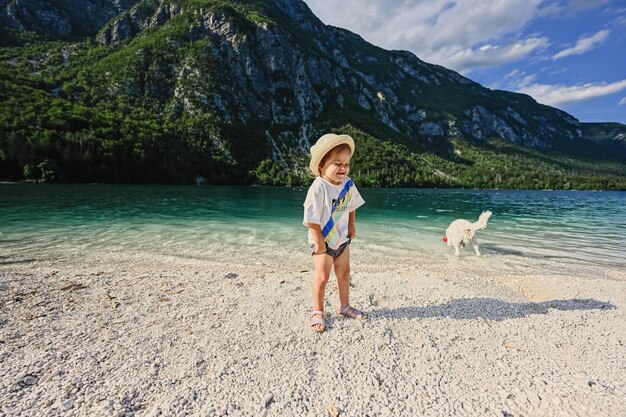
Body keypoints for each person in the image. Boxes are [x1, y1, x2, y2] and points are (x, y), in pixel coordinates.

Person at [303, 133, 366, 332]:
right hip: (322, 241)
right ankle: (317, 311)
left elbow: (352, 205)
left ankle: (344, 306)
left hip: (342, 239)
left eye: (346, 164)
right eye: (337, 163)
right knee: (322, 276)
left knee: (344, 273)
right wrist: (320, 242)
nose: (343, 168)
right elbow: (311, 219)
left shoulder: (348, 184)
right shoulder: (319, 187)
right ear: (322, 165)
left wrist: (351, 225)